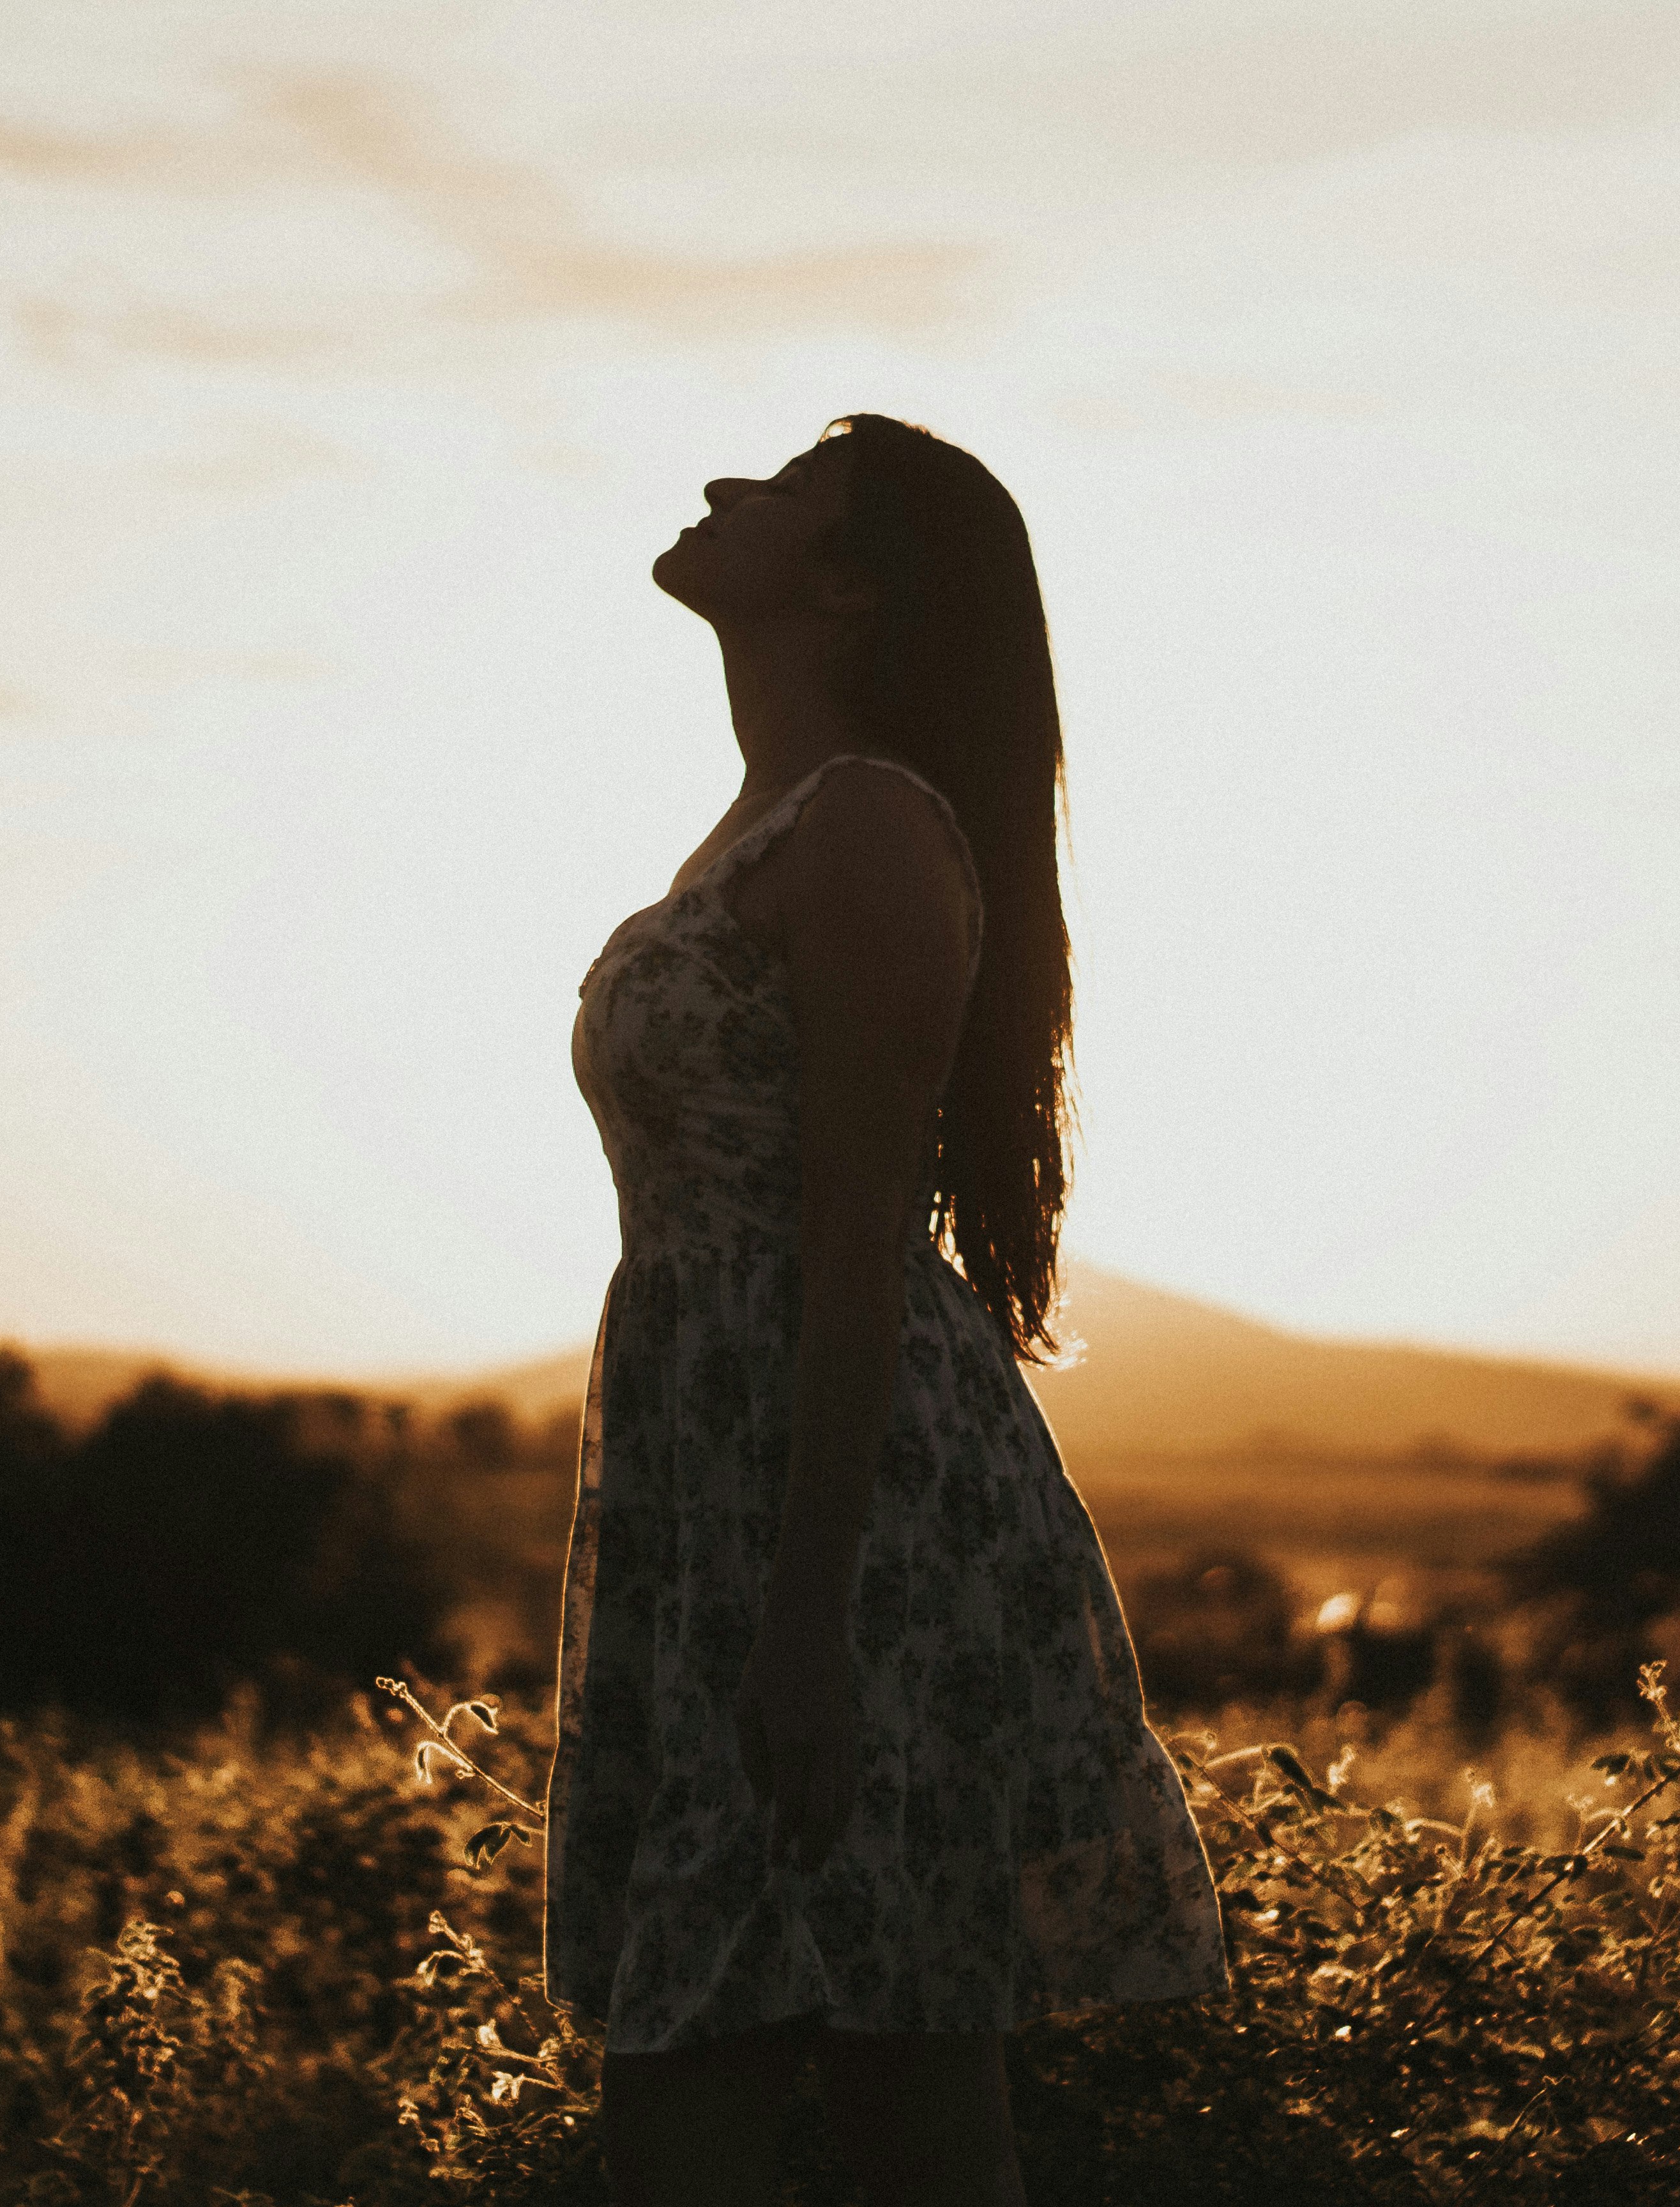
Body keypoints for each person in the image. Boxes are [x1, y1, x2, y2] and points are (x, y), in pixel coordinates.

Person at [551, 414, 1227, 2206]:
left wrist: (803, 1621)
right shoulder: (765, 829)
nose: (716, 489)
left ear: (845, 585)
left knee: (872, 2096)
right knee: (814, 2084)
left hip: (845, 1523)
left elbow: (857, 1247)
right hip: (726, 1504)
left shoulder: (863, 832)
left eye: (778, 486)